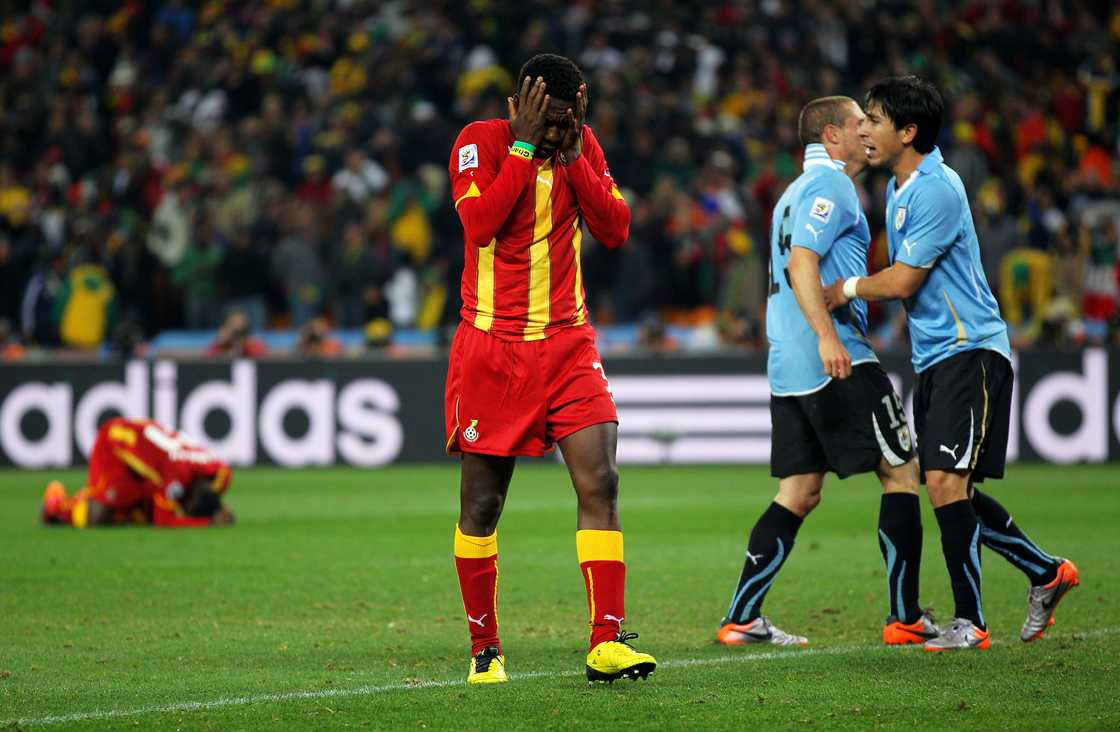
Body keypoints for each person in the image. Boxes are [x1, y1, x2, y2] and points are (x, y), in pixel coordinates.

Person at [824, 76, 1079, 651]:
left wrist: (844, 289)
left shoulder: (936, 187)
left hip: (972, 352)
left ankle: (972, 622)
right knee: (948, 486)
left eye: (874, 118)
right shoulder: (899, 186)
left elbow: (905, 279)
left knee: (942, 481)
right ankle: (1044, 572)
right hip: (936, 358)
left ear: (907, 131)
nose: (863, 127)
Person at [445, 54, 655, 685]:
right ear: (520, 107)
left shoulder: (581, 146)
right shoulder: (478, 143)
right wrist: (527, 147)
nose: (563, 131)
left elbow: (615, 228)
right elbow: (480, 225)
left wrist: (570, 156)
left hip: (568, 344)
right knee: (483, 505)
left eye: (571, 120)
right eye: (551, 121)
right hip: (492, 348)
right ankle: (485, 647)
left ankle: (607, 640)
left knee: (602, 483)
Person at [718, 97, 936, 650]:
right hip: (834, 357)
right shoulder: (832, 186)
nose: (870, 133)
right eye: (862, 123)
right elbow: (802, 264)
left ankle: (742, 617)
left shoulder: (793, 193)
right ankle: (905, 616)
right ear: (834, 134)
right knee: (903, 472)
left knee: (800, 491)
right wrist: (827, 335)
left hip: (786, 363)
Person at [41, 417, 234, 528]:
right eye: (186, 506)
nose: (182, 507)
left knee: (143, 509)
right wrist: (206, 521)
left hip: (145, 452)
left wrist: (216, 507)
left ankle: (129, 512)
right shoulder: (177, 475)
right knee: (99, 516)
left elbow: (217, 482)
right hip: (115, 441)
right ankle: (57, 505)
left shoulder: (216, 470)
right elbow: (164, 521)